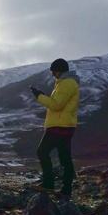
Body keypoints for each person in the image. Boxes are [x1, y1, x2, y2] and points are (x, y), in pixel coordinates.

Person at [29, 58, 80, 200]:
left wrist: (39, 96)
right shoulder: (66, 83)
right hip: (65, 125)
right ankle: (65, 192)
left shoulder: (67, 83)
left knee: (42, 152)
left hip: (59, 126)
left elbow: (57, 105)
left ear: (59, 71)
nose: (53, 75)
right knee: (65, 159)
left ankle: (48, 184)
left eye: (54, 72)